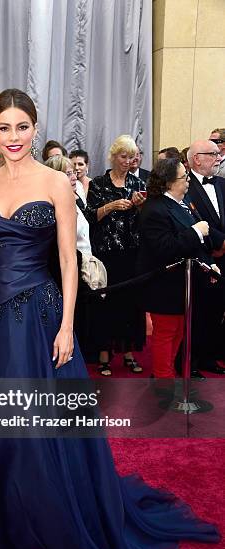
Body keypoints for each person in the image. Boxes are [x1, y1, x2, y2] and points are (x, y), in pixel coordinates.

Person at [0, 89, 219, 549]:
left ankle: (50, 509)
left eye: (22, 127)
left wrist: (68, 325)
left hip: (42, 315)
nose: (13, 138)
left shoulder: (55, 183)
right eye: (3, 128)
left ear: (35, 126)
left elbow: (68, 259)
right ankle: (0, 512)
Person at [137, 158, 215, 388]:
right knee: (165, 334)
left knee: (179, 332)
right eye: (184, 177)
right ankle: (164, 384)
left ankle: (166, 374)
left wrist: (210, 263)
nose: (188, 180)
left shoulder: (182, 202)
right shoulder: (154, 209)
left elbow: (198, 242)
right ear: (169, 182)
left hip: (185, 283)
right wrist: (194, 231)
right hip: (165, 285)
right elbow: (165, 248)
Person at [86, 135, 146, 376]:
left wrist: (141, 206)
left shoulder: (136, 182)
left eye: (131, 157)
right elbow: (90, 216)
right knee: (107, 305)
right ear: (113, 156)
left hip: (131, 252)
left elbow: (145, 220)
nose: (127, 161)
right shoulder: (99, 183)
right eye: (123, 156)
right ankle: (103, 355)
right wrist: (111, 206)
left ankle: (128, 352)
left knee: (130, 305)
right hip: (107, 253)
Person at [44, 155, 101, 362]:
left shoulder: (76, 199)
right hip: (64, 271)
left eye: (74, 172)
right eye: (68, 173)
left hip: (81, 266)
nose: (74, 176)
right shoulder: (53, 206)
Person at [184, 139, 225, 372]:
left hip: (223, 259)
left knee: (217, 309)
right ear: (197, 158)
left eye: (219, 154)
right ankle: (191, 362)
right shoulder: (186, 186)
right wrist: (219, 242)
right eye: (213, 154)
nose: (218, 158)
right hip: (200, 257)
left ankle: (209, 357)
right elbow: (195, 220)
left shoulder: (221, 183)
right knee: (197, 312)